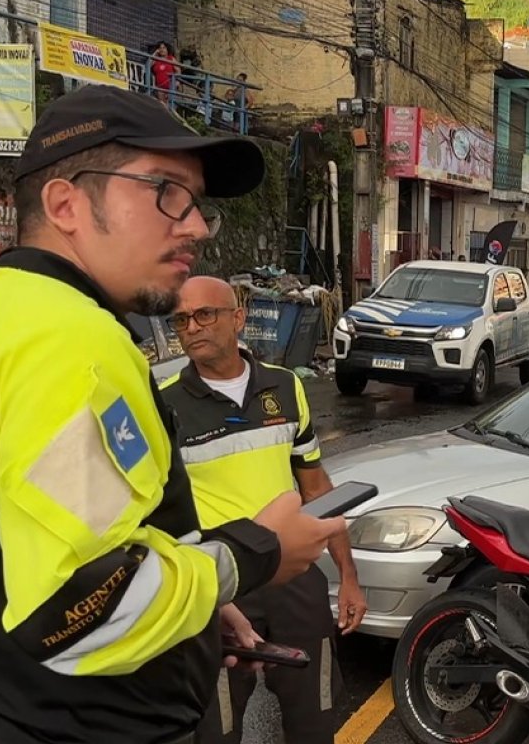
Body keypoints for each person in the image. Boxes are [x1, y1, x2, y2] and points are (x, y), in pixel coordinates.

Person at [0, 85, 346, 744]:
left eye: (196, 203)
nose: (195, 225)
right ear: (66, 204)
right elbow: (75, 610)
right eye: (165, 190)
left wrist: (192, 615)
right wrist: (254, 554)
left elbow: (32, 556)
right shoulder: (72, 342)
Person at [161, 277, 367, 744]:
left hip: (294, 580)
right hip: (224, 588)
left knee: (314, 722)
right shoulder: (165, 404)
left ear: (237, 319)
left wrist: (348, 576)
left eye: (204, 315)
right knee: (217, 729)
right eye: (181, 319)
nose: (192, 328)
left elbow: (316, 489)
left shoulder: (286, 386)